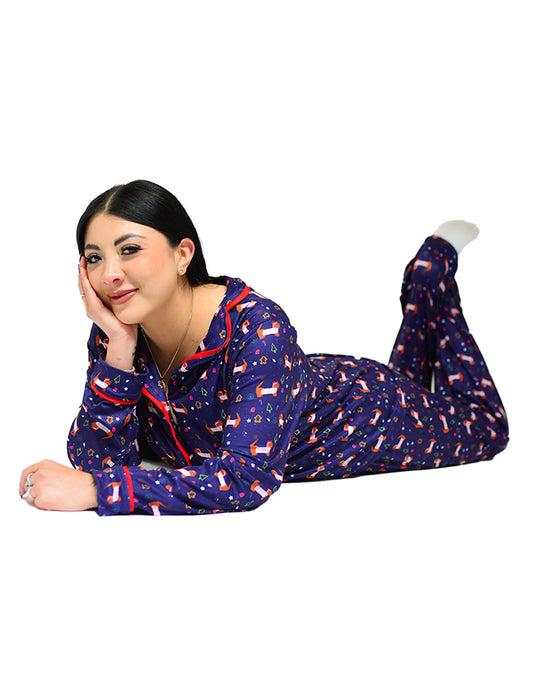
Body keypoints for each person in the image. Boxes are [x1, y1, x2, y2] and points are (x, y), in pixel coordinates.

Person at [19, 180, 509, 515]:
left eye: (130, 250)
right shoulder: (119, 334)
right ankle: (423, 290)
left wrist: (96, 491)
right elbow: (99, 457)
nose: (110, 274)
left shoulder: (258, 327)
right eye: (94, 258)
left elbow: (245, 478)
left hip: (369, 415)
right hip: (303, 384)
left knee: (487, 428)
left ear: (183, 254)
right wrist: (118, 355)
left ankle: (429, 277)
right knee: (416, 381)